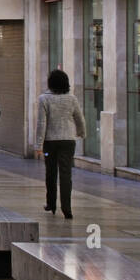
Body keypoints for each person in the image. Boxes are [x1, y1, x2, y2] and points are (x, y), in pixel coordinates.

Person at [36, 69, 86, 219]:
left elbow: (41, 123)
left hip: (50, 142)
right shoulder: (72, 99)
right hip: (68, 141)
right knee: (66, 174)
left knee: (50, 172)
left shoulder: (44, 99)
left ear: (50, 83)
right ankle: (67, 208)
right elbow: (79, 118)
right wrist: (82, 132)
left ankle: (51, 203)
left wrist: (38, 145)